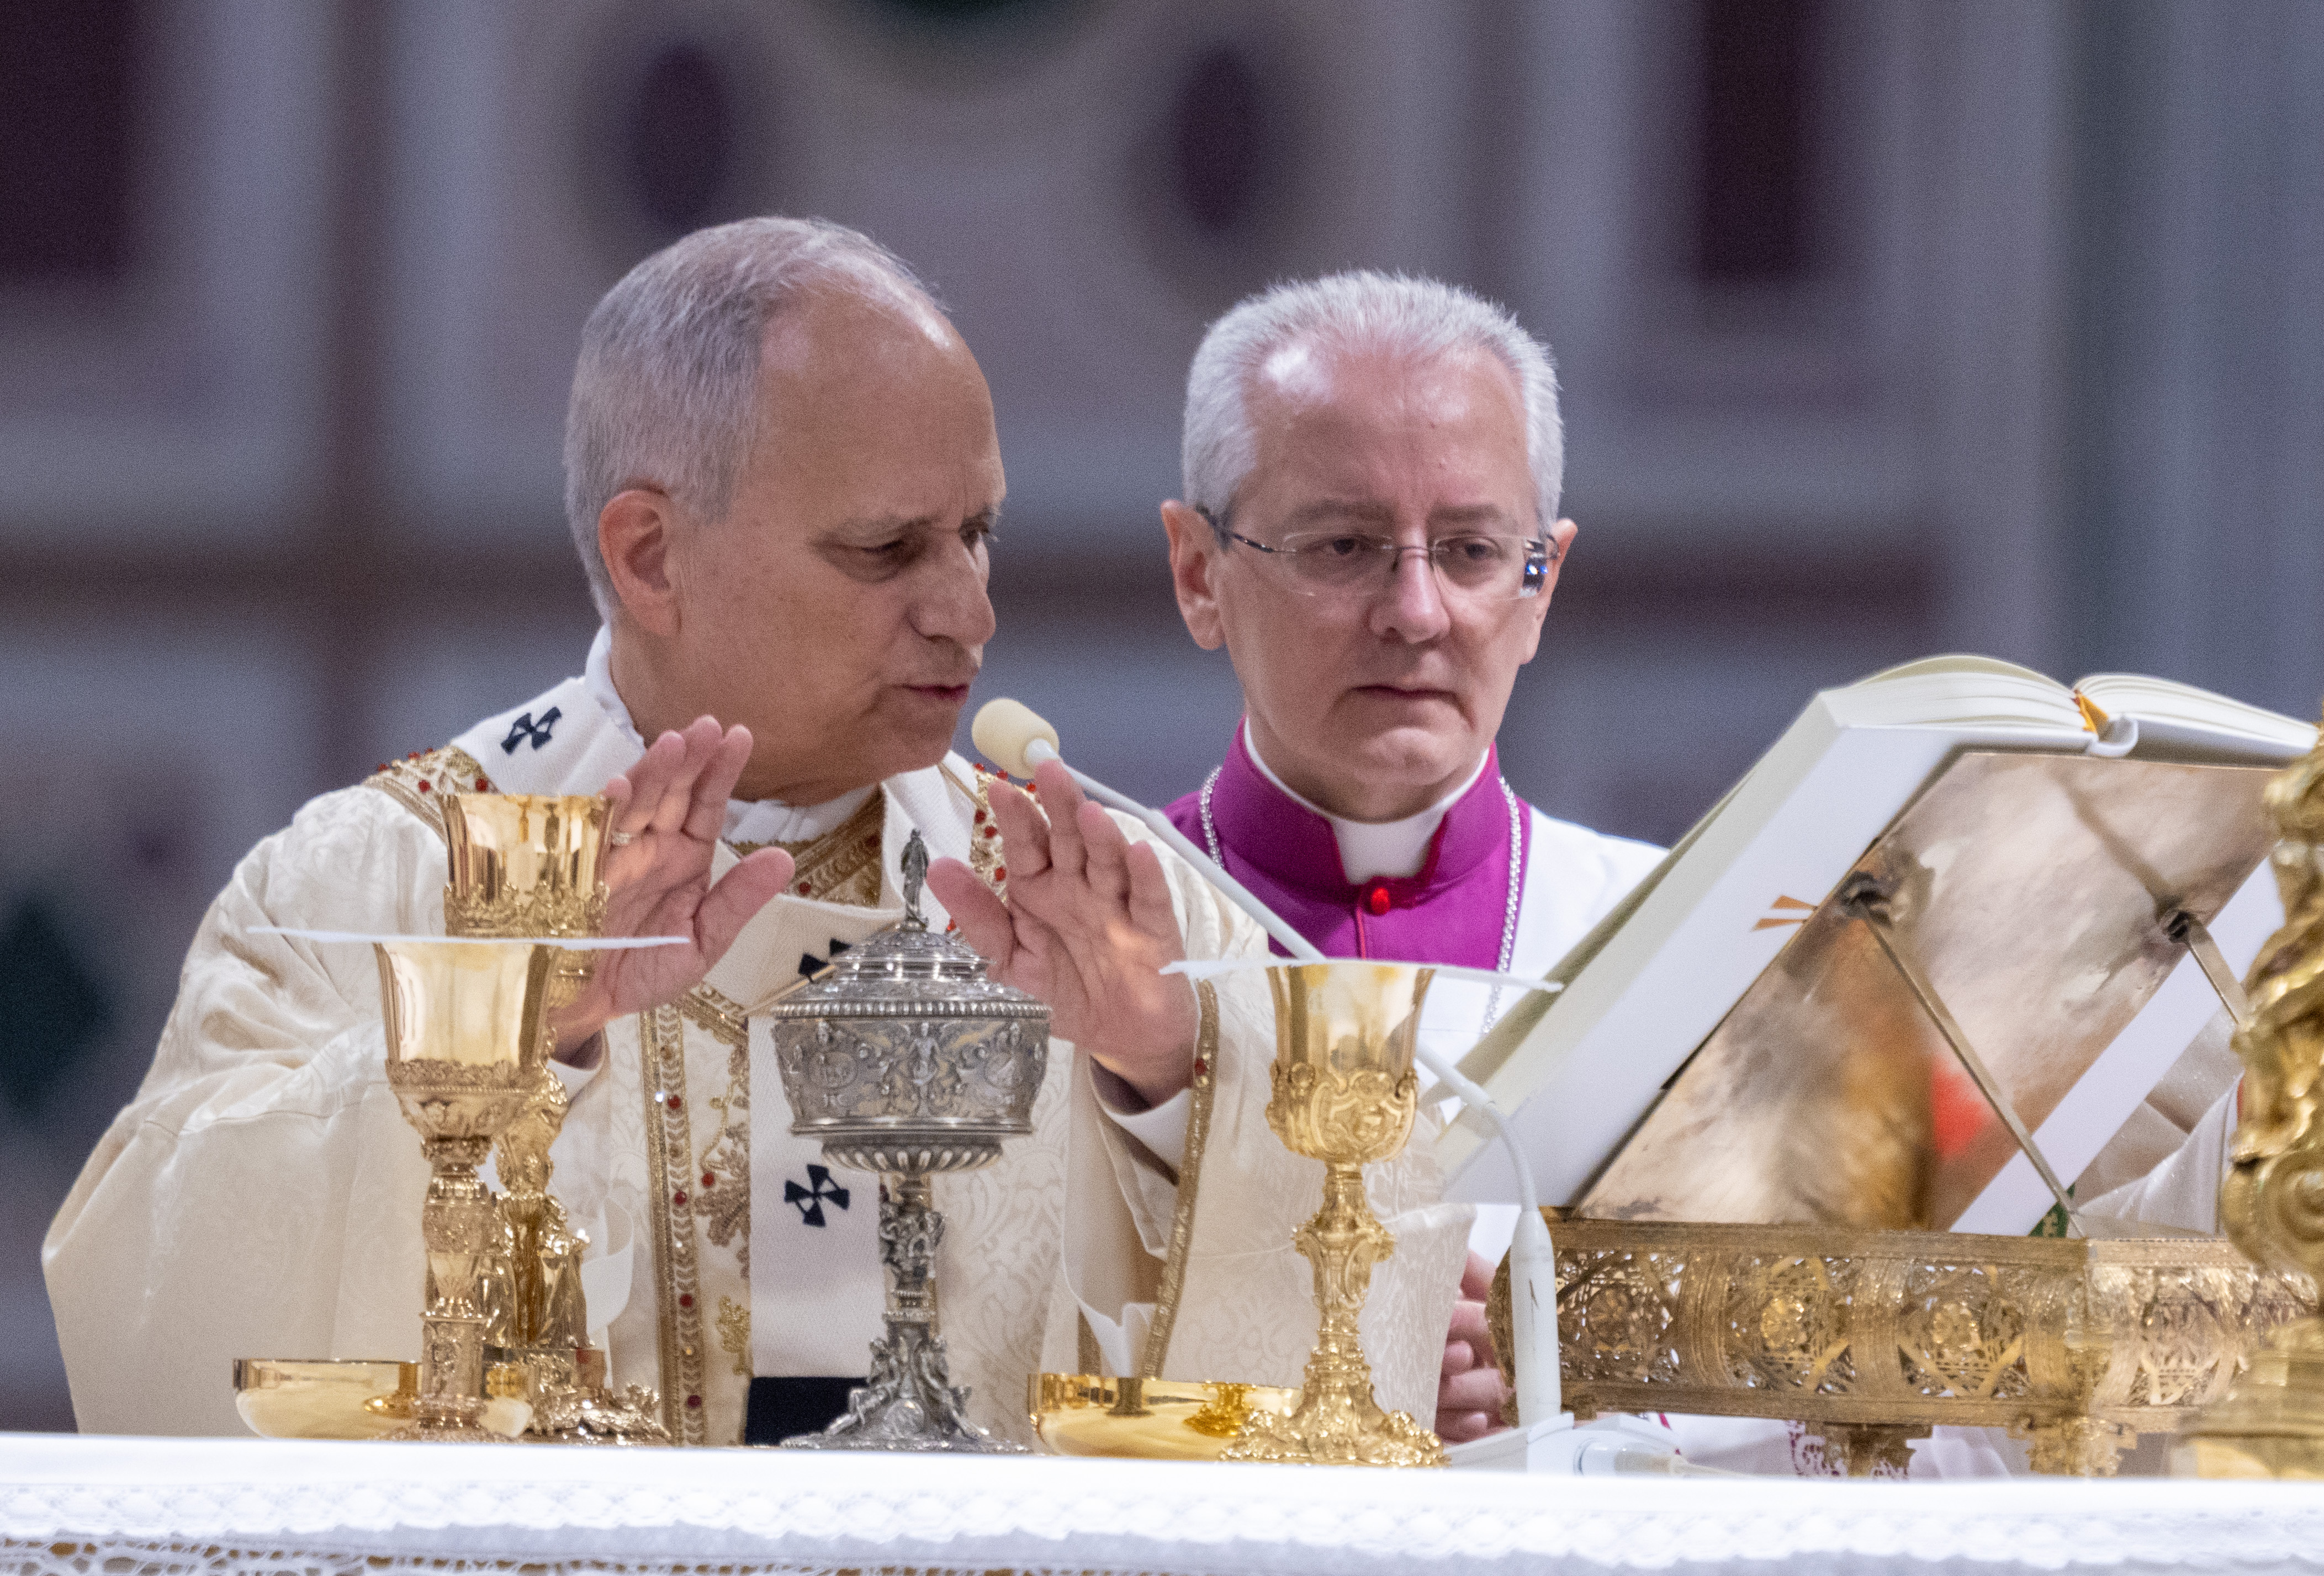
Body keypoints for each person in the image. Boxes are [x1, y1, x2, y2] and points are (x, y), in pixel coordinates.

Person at [45, 219, 1469, 1445]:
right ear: (650, 554)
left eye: (979, 535)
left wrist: (1166, 1075)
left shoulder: (1090, 904)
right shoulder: (376, 882)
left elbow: (1367, 1356)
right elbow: (152, 1313)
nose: (968, 611)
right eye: (887, 549)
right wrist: (508, 1035)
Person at [1157, 273, 1666, 1442]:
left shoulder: (1666, 938)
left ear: (1542, 586)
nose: (1417, 610)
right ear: (1198, 573)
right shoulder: (1093, 942)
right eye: (1343, 545)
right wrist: (1293, 1386)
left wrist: (1572, 1374)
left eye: (1475, 550)